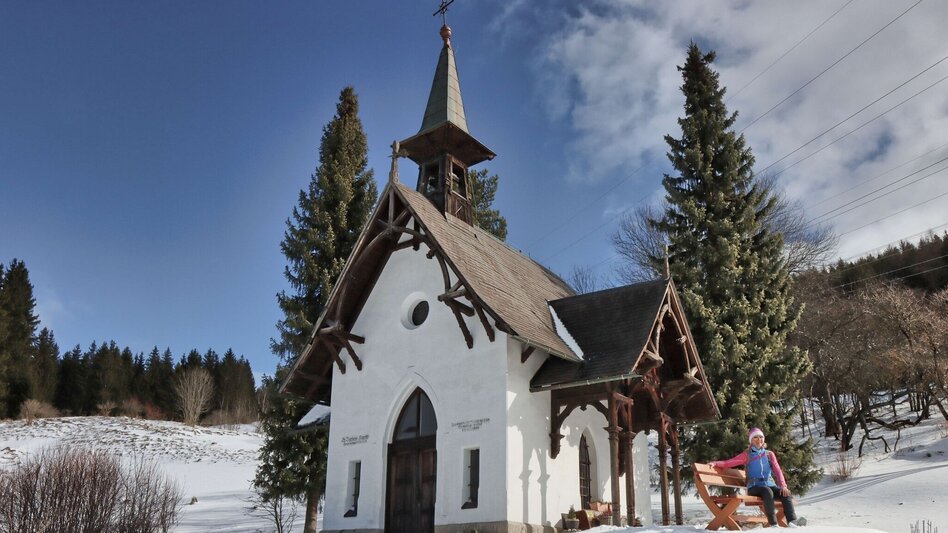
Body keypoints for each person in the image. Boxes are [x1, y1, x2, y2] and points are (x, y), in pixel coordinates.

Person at [710, 428, 803, 528]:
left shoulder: (769, 454)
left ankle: (792, 522)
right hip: (754, 487)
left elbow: (777, 470)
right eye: (755, 437)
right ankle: (773, 524)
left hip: (770, 485)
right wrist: (715, 463)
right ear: (751, 440)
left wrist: (783, 486)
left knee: (785, 494)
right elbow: (729, 462)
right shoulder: (747, 455)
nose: (759, 439)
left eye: (761, 437)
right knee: (767, 491)